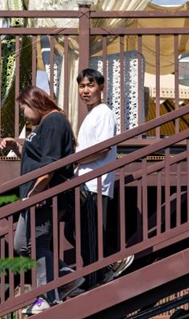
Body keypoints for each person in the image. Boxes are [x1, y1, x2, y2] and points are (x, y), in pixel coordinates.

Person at [0, 86, 84, 315]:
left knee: (36, 244)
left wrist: (38, 191)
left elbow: (50, 164)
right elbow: (37, 159)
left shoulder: (54, 121)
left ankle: (46, 297)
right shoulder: (44, 125)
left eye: (24, 108)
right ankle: (66, 278)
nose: (24, 113)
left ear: (35, 103)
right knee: (23, 244)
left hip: (44, 195)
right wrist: (16, 147)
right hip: (35, 194)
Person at [68, 68, 133, 289]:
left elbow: (103, 150)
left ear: (101, 88)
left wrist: (77, 160)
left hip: (95, 184)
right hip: (84, 182)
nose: (85, 90)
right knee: (74, 231)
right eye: (82, 86)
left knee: (90, 236)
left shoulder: (104, 112)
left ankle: (108, 265)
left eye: (90, 85)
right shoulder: (90, 115)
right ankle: (109, 264)